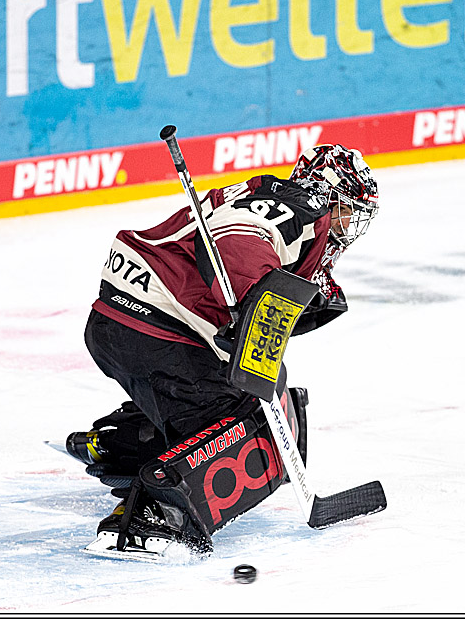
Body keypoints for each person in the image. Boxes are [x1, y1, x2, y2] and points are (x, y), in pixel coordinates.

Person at [63, 143, 379, 559]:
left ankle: (118, 445)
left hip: (128, 320)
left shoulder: (273, 198)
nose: (349, 223)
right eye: (349, 209)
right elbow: (239, 239)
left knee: (244, 401)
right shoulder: (303, 207)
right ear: (328, 192)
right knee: (244, 425)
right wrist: (252, 297)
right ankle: (150, 516)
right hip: (157, 326)